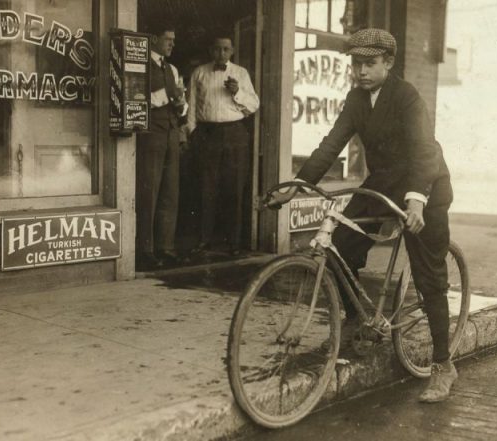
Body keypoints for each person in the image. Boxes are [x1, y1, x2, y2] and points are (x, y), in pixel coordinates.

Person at [268, 28, 457, 403]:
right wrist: (299, 185)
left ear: (388, 63)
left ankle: (442, 364)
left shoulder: (407, 97)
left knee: (428, 275)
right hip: (383, 183)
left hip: (426, 185)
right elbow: (332, 143)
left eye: (370, 63)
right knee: (341, 244)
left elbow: (423, 150)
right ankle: (355, 323)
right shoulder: (356, 99)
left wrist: (417, 200)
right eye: (356, 63)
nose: (362, 71)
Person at [187, 36, 260, 256]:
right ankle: (204, 239)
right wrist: (192, 132)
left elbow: (254, 105)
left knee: (234, 188)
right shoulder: (199, 73)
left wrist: (237, 92)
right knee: (205, 187)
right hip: (207, 133)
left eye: (225, 49)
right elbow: (191, 105)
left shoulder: (241, 73)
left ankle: (234, 242)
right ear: (211, 50)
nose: (221, 53)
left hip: (234, 132)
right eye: (217, 49)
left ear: (232, 51)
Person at [136, 22, 187, 270]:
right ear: (154, 39)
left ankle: (165, 247)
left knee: (170, 192)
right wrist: (170, 96)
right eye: (168, 39)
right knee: (149, 192)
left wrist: (180, 104)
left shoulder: (173, 69)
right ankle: (144, 249)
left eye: (173, 40)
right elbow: (138, 98)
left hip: (171, 133)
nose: (172, 44)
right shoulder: (139, 65)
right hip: (151, 135)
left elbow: (182, 104)